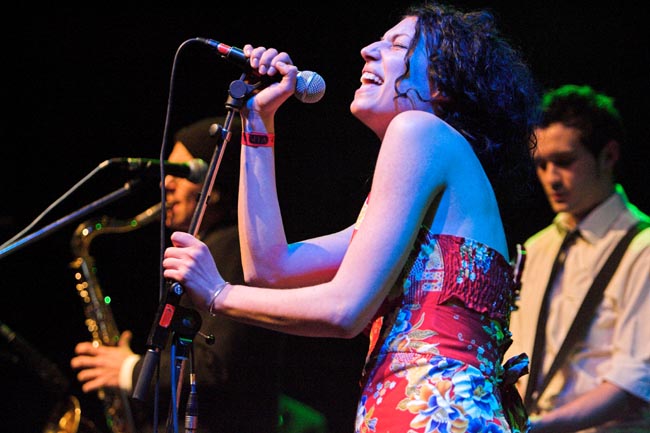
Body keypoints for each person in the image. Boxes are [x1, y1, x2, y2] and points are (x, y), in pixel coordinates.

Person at [161, 3, 541, 433]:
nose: (368, 50)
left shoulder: (419, 131)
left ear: (443, 84)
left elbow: (344, 310)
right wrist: (257, 121)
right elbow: (270, 268)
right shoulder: (435, 165)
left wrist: (218, 293)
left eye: (397, 45)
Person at [70, 117, 291, 433]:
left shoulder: (234, 247)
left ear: (213, 187)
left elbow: (215, 367)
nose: (166, 184)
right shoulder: (211, 247)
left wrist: (131, 369)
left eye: (180, 173)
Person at [505, 84, 650, 432]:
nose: (551, 178)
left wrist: (537, 427)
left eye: (565, 162)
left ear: (608, 156)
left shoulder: (643, 249)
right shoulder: (536, 248)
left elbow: (634, 382)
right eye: (541, 165)